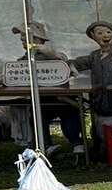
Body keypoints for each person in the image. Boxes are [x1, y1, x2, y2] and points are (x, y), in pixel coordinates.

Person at [5, 21, 86, 156]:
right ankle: (46, 145)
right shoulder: (23, 60)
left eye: (26, 39)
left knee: (69, 116)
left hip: (63, 98)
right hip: (41, 100)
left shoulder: (53, 55)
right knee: (37, 118)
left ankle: (77, 143)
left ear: (37, 39)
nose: (23, 42)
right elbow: (16, 75)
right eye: (22, 40)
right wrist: (2, 78)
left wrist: (49, 53)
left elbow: (64, 61)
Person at [71, 21, 112, 160]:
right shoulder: (94, 56)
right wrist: (71, 66)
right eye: (100, 33)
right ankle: (98, 148)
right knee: (97, 126)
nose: (105, 36)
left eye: (108, 32)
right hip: (98, 100)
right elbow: (77, 63)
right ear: (94, 37)